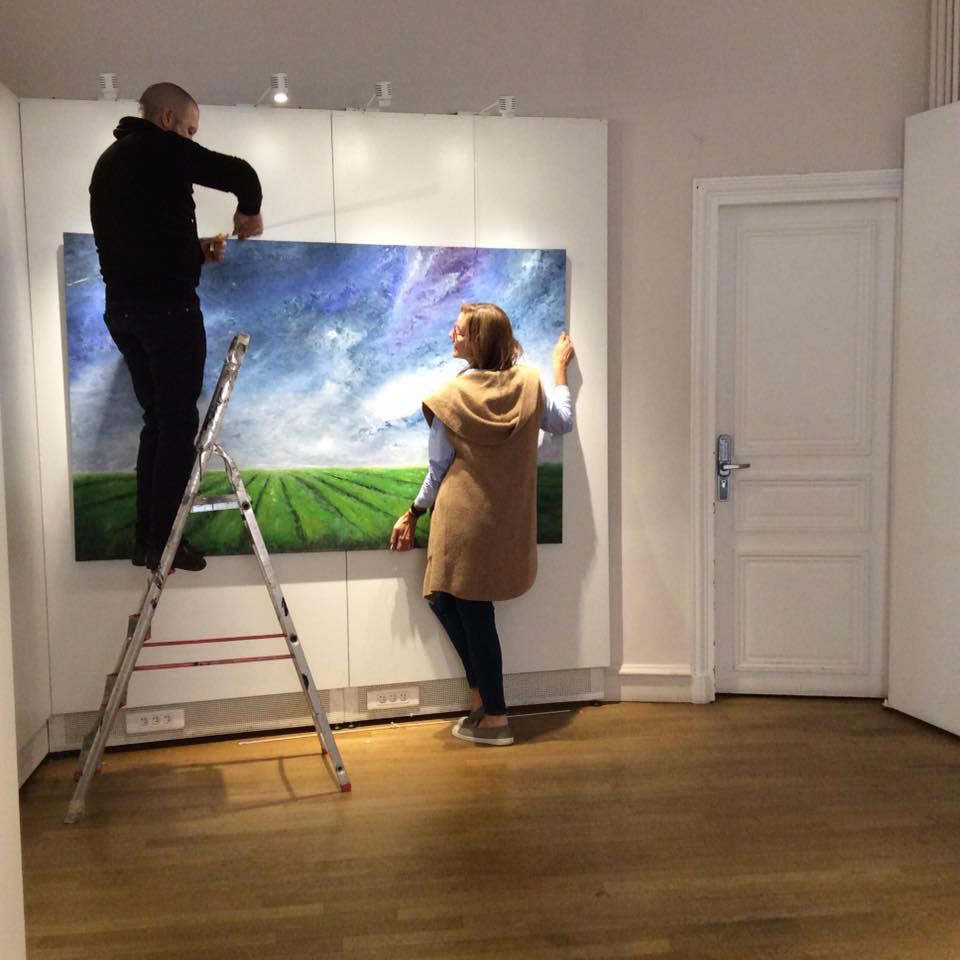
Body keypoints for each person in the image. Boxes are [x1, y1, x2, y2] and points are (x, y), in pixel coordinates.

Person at [89, 82, 264, 573]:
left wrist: (194, 252)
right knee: (179, 421)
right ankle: (166, 540)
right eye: (189, 130)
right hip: (168, 312)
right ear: (166, 119)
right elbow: (241, 174)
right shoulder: (159, 147)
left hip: (123, 313)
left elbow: (138, 245)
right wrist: (249, 212)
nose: (189, 140)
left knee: (159, 420)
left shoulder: (109, 163)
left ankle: (148, 541)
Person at [390, 303, 575, 746]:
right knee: (445, 599)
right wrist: (559, 372)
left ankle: (496, 717)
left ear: (479, 340)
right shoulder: (529, 383)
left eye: (460, 331)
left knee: (471, 611)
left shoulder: (449, 398)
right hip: (504, 519)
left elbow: (439, 470)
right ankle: (482, 699)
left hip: (459, 518)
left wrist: (413, 512)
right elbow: (563, 422)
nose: (452, 334)